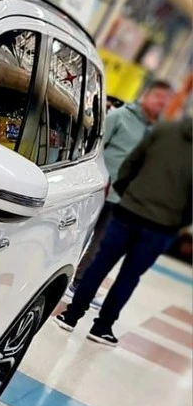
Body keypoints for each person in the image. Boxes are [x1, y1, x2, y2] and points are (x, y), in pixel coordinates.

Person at [56, 115, 193, 345]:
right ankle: (102, 328)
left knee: (99, 265)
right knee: (129, 277)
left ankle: (70, 316)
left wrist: (126, 193)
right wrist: (177, 222)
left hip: (128, 211)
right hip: (161, 226)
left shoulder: (163, 130)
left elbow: (132, 163)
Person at [73, 79, 174, 284]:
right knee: (77, 235)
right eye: (158, 97)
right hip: (100, 187)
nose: (162, 103)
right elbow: (95, 148)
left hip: (125, 198)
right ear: (146, 95)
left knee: (102, 242)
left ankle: (80, 280)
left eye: (167, 100)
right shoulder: (119, 116)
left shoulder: (160, 131)